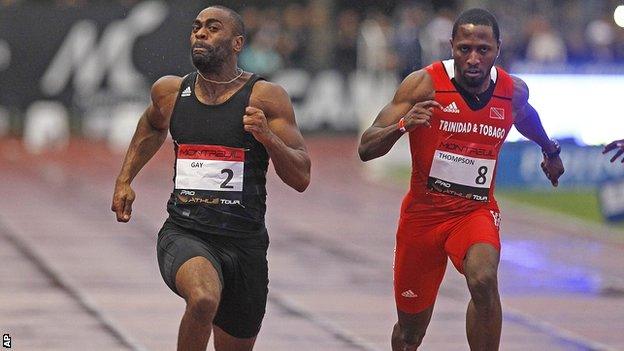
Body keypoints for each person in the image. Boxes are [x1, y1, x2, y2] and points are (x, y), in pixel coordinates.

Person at [358, 8, 564, 351]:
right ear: (451, 45)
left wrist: (550, 149)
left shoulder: (512, 91)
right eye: (464, 48)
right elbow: (366, 147)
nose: (473, 58)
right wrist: (403, 125)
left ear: (497, 48)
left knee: (483, 279)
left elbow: (526, 116)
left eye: (482, 50)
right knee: (410, 334)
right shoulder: (422, 84)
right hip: (422, 219)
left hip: (474, 212)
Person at [111, 6, 310, 351]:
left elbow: (301, 176)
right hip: (186, 233)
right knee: (203, 299)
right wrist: (124, 179)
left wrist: (268, 137)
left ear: (237, 44)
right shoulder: (170, 92)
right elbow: (151, 125)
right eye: (196, 27)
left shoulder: (265, 98)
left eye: (212, 28)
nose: (200, 33)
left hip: (245, 246)